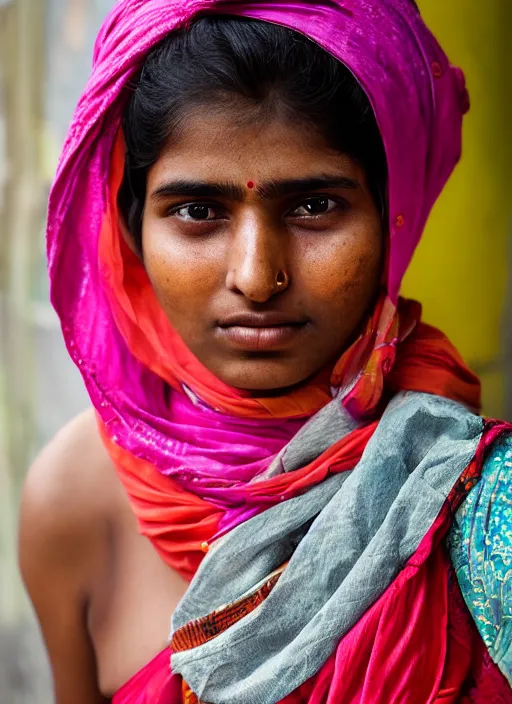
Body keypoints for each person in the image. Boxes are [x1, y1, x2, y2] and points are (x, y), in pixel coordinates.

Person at [19, 1, 512, 703]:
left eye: (314, 206)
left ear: (394, 213)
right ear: (131, 230)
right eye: (197, 211)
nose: (256, 276)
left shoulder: (480, 507)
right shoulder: (74, 503)